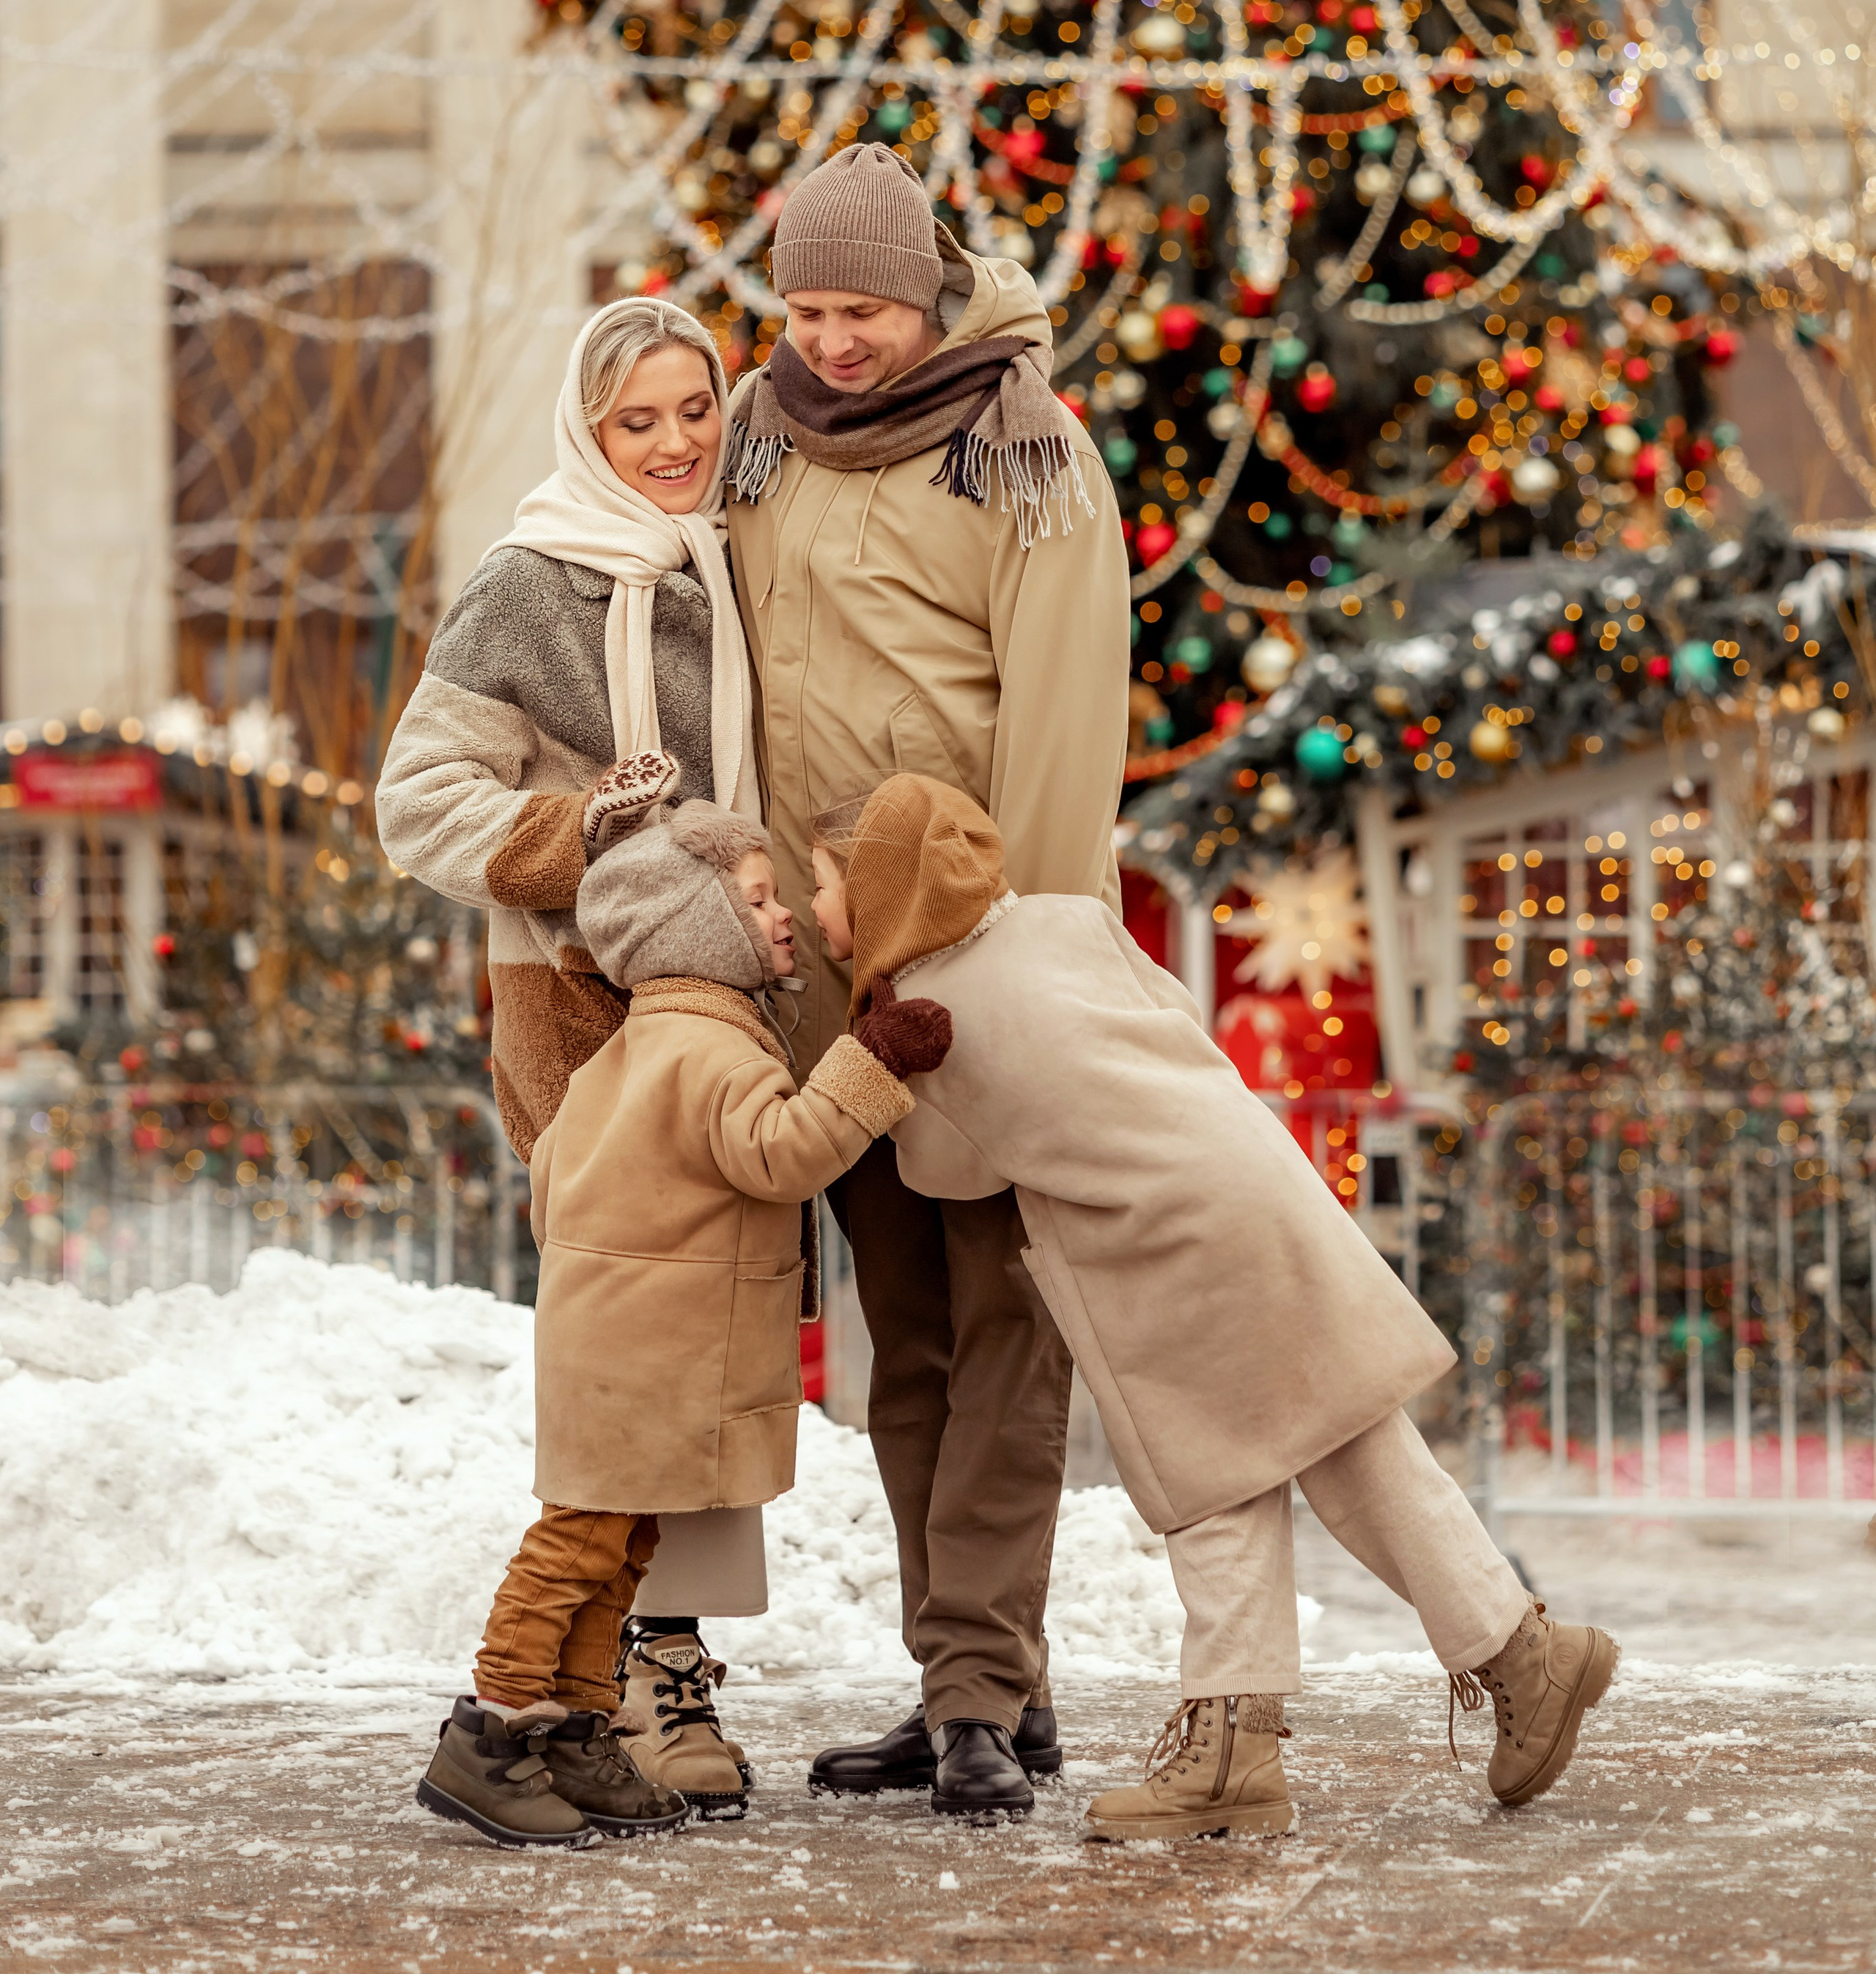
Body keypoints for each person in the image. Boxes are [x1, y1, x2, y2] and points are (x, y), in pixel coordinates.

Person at [806, 775, 1620, 1843]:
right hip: (1256, 1186)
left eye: (823, 886)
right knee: (1347, 1442)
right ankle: (1521, 1655)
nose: (817, 913)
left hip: (1166, 1256)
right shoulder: (1071, 920)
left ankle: (1235, 1749)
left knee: (1212, 1478)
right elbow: (1169, 1012)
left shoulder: (928, 1023)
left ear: (877, 888)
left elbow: (950, 1180)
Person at [723, 141, 1131, 1820]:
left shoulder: (1022, 448)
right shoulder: (759, 438)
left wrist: (1010, 955)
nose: (834, 339)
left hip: (969, 962)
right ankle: (973, 1684)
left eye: (865, 308)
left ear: (930, 289)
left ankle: (973, 1686)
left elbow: (1059, 718)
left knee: (1000, 1329)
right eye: (807, 307)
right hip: (828, 979)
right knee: (901, 1343)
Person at [380, 297, 775, 1786]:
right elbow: (417, 802)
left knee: (714, 1346)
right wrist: (580, 835)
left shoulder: (737, 574)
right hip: (579, 1016)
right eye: (638, 420)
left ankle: (663, 1668)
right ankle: (589, 1682)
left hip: (724, 1012)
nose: (674, 443)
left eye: (694, 409)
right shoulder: (526, 584)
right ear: (587, 432)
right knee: (631, 1360)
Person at [416, 790, 951, 1845]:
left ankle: (574, 1725)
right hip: (648, 1350)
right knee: (577, 1544)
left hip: (621, 1343)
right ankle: (491, 1727)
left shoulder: (632, 1051)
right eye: (755, 901)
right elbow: (783, 1152)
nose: (785, 914)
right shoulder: (709, 1050)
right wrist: (872, 1061)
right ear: (695, 929)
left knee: (620, 1543)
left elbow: (558, 1181)